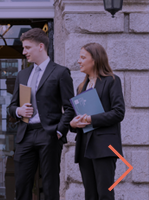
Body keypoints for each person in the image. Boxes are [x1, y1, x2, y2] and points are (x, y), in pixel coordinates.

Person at [8, 28, 75, 200]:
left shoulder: (60, 72)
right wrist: (18, 111)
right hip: (25, 134)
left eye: (27, 48)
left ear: (41, 46)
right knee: (22, 184)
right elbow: (12, 106)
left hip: (49, 134)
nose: (24, 52)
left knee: (50, 184)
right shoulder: (22, 74)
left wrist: (60, 131)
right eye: (24, 48)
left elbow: (70, 107)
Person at [70, 43, 125, 200]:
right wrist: (73, 124)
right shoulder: (81, 87)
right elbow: (79, 117)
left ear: (95, 59)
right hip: (85, 147)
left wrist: (90, 119)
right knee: (90, 195)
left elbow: (118, 113)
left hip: (104, 147)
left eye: (83, 57)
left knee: (104, 194)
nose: (79, 61)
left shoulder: (112, 81)